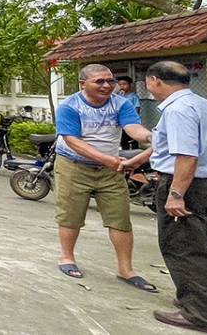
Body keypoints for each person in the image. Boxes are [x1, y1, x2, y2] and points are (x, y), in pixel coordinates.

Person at [121, 61, 207, 334]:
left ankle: (200, 315)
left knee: (184, 249)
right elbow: (168, 145)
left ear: (155, 80)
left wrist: (176, 194)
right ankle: (198, 302)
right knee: (202, 248)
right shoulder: (204, 105)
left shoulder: (177, 110)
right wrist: (142, 159)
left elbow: (187, 154)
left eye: (148, 81)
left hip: (185, 184)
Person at [52, 63, 154, 291]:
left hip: (110, 170)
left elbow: (132, 127)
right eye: (99, 81)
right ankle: (67, 257)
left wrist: (150, 136)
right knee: (71, 214)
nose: (107, 86)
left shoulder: (120, 103)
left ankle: (125, 269)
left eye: (110, 81)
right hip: (74, 165)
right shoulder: (70, 106)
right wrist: (105, 158)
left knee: (120, 217)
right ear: (82, 84)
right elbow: (72, 140)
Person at [117, 75, 143, 150]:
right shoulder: (120, 95)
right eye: (120, 85)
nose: (122, 86)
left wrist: (134, 120)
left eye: (124, 84)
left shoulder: (133, 97)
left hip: (130, 121)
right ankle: (125, 151)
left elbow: (137, 108)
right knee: (123, 139)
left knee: (132, 137)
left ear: (130, 85)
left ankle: (135, 151)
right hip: (122, 121)